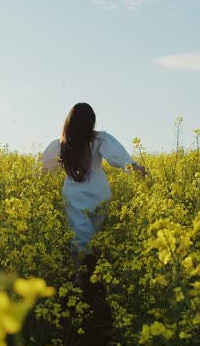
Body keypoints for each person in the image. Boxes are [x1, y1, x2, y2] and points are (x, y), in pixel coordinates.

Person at [41, 102, 146, 283]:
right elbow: (119, 159)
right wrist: (137, 168)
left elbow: (43, 169)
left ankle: (79, 278)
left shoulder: (61, 144)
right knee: (98, 236)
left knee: (78, 236)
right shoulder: (100, 139)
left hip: (74, 195)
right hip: (99, 193)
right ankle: (97, 278)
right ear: (92, 121)